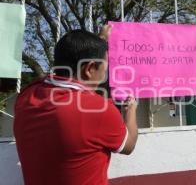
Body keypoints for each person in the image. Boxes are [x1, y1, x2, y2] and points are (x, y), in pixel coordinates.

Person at [14, 26, 138, 185]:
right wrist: (131, 111)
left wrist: (97, 44)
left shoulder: (27, 95)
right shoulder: (97, 109)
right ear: (89, 69)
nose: (104, 75)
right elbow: (128, 146)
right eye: (104, 69)